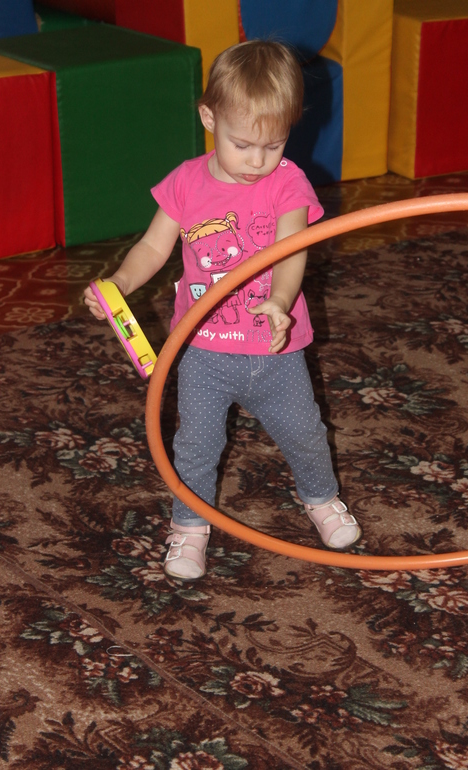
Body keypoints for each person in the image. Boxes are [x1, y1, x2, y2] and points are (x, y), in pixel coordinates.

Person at [84, 39, 362, 580]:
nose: (258, 161)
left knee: (305, 434)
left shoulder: (288, 182)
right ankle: (189, 528)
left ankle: (322, 500)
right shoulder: (186, 183)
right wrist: (118, 282)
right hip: (202, 351)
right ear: (209, 118)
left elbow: (292, 248)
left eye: (274, 144)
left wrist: (280, 300)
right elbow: (152, 247)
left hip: (275, 350)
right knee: (195, 446)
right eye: (243, 144)